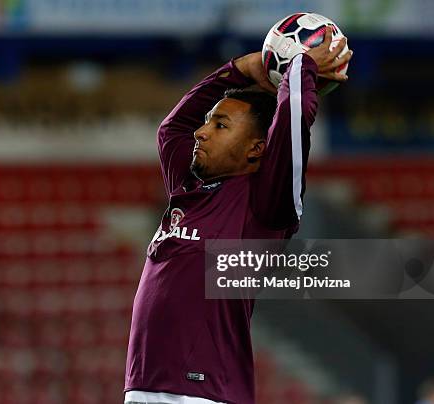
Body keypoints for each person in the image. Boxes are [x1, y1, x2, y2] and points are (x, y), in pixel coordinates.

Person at [124, 30, 352, 404]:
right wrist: (237, 70)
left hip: (207, 394)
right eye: (208, 121)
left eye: (220, 125)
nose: (201, 131)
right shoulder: (188, 189)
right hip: (144, 388)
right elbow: (172, 130)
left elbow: (294, 115)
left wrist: (303, 64)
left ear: (256, 148)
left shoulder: (264, 207)